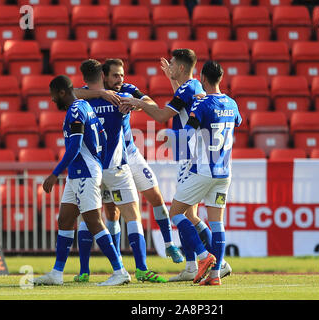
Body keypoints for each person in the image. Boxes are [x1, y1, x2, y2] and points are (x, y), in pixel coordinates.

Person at [120, 49, 232, 281]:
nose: (168, 66)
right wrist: (172, 79)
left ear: (181, 67)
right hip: (194, 156)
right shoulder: (191, 88)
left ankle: (202, 262)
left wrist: (135, 101)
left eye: (172, 64)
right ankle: (207, 264)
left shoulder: (190, 87)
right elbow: (180, 106)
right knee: (191, 215)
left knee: (182, 213)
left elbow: (162, 116)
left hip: (192, 157)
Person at [31, 75, 131, 286]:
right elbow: (103, 136)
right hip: (78, 174)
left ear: (61, 93)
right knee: (65, 220)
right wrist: (99, 161)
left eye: (52, 95)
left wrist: (54, 174)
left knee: (94, 221)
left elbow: (74, 147)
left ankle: (120, 271)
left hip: (84, 173)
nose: (51, 100)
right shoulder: (85, 106)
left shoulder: (75, 111)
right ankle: (57, 273)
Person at [74, 59, 168, 283]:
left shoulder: (117, 94)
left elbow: (72, 93)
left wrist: (137, 103)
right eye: (115, 76)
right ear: (104, 77)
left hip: (100, 169)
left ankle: (91, 270)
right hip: (112, 168)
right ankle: (136, 269)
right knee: (119, 216)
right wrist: (108, 96)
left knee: (92, 217)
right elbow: (74, 92)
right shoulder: (106, 97)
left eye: (122, 75)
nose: (120, 80)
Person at [168, 60, 241, 286]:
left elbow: (187, 133)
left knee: (176, 213)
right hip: (224, 173)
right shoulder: (232, 103)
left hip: (203, 170)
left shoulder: (201, 105)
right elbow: (236, 121)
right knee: (217, 223)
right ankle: (215, 274)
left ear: (203, 78)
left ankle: (202, 256)